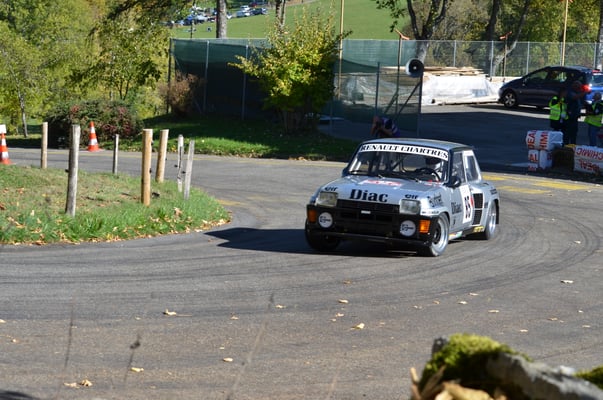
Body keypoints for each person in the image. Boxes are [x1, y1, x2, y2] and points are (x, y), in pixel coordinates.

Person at [564, 80, 588, 145]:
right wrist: (584, 93)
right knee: (568, 130)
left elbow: (579, 102)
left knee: (574, 131)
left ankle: (573, 144)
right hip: (570, 115)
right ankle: (566, 144)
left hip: (575, 115)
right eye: (579, 87)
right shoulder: (570, 92)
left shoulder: (577, 92)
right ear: (575, 86)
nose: (580, 88)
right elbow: (574, 97)